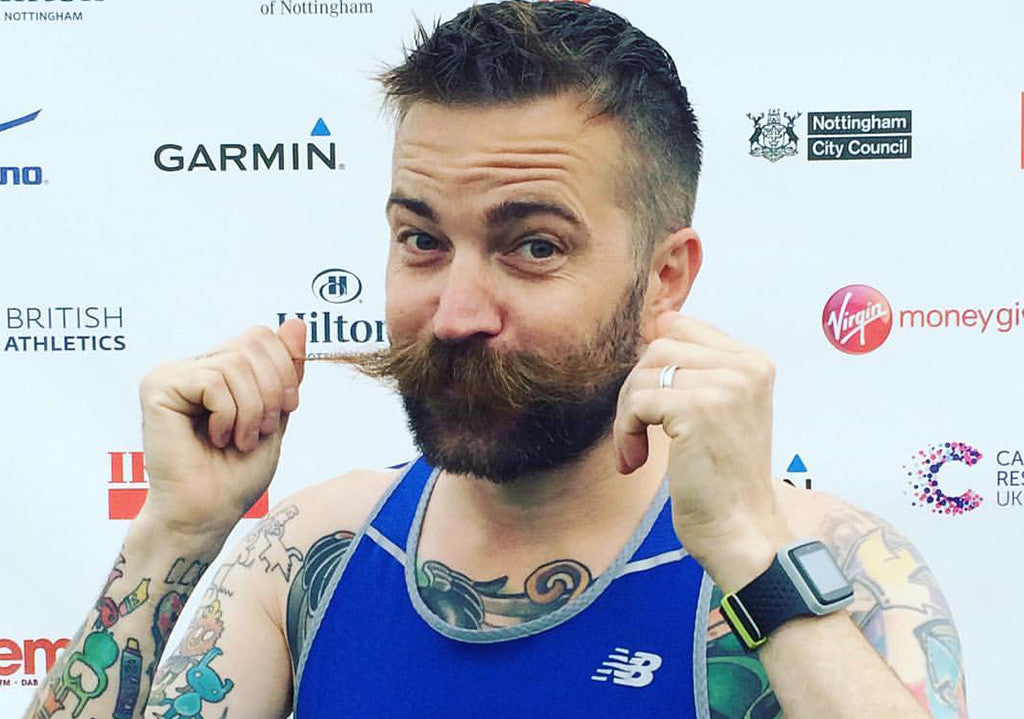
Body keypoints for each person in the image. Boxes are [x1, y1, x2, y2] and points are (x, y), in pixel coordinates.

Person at [24, 2, 967, 718]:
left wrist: (752, 556)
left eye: (534, 246)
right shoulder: (314, 554)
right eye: (421, 240)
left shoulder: (835, 567)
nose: (456, 313)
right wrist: (176, 532)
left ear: (665, 277)